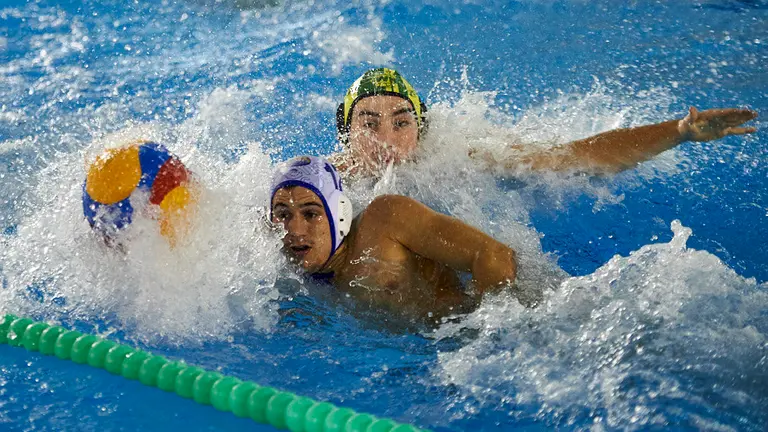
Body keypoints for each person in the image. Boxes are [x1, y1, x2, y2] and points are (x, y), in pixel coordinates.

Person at [330, 68, 758, 178]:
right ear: (347, 133)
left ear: (421, 130)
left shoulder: (458, 158)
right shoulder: (325, 182)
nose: (387, 139)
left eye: (401, 123)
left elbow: (575, 157)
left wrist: (679, 132)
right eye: (369, 124)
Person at [269, 156, 532, 325]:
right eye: (283, 215)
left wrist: (491, 334)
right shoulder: (282, 258)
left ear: (339, 214)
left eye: (311, 214)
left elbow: (493, 255)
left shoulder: (385, 221)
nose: (295, 230)